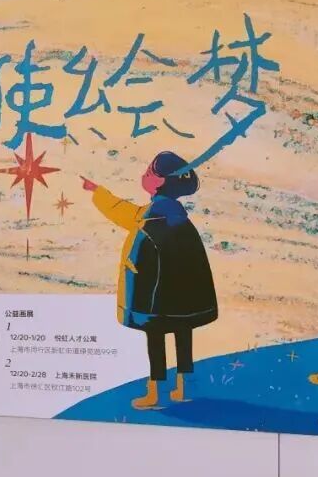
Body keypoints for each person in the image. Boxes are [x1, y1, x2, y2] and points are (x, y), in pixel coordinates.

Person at [82, 151, 217, 409]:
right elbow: (128, 212)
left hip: (156, 294)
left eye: (148, 173)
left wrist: (98, 193)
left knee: (155, 335)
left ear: (160, 181)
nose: (143, 176)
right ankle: (185, 387)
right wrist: (98, 192)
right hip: (183, 296)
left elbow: (127, 215)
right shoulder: (178, 219)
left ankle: (157, 391)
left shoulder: (151, 217)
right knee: (183, 330)